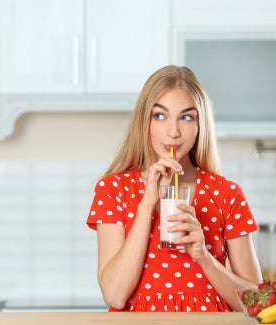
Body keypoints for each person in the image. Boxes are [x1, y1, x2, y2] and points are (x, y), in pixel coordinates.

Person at [86, 65, 262, 312]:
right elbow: (115, 295)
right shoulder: (114, 189)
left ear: (200, 125)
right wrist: (147, 204)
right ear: (144, 122)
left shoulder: (227, 193)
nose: (174, 132)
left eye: (186, 117)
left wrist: (204, 257)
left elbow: (258, 303)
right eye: (160, 116)